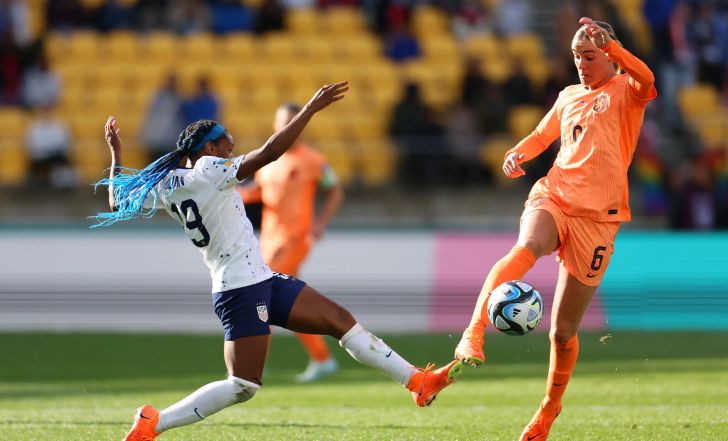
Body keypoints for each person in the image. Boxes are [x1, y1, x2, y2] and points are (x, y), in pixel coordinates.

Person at [93, 82, 462, 441]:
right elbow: (269, 152)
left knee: (340, 321)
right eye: (225, 142)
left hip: (261, 279)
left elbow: (115, 201)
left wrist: (116, 156)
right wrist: (310, 109)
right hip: (240, 288)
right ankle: (153, 423)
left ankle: (417, 381)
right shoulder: (210, 170)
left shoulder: (169, 183)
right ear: (208, 148)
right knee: (243, 385)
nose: (231, 147)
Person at [453, 18, 656, 441]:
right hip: (555, 196)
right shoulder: (568, 96)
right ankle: (473, 332)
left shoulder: (626, 90)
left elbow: (647, 78)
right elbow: (541, 135)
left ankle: (548, 409)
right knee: (527, 246)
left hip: (598, 220)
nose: (582, 64)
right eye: (577, 56)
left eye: (590, 56)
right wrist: (517, 153)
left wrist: (615, 49)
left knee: (563, 333)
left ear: (609, 54)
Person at [237, 103, 345, 383]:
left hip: (295, 238)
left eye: (292, 121)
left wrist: (320, 224)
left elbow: (334, 190)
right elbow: (259, 193)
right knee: (288, 303)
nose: (287, 127)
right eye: (283, 122)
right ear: (276, 126)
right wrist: (235, 192)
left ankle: (252, 364)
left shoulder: (313, 159)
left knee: (261, 294)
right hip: (269, 239)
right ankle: (322, 358)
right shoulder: (268, 160)